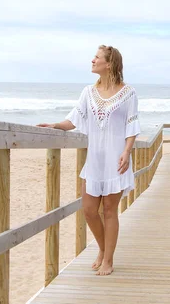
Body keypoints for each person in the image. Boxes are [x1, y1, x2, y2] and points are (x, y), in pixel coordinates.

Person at [37, 45, 140, 276]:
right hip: (94, 159)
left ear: (109, 64)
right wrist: (54, 125)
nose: (92, 60)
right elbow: (74, 120)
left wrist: (127, 151)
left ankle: (108, 260)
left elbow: (132, 125)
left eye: (97, 57)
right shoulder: (88, 92)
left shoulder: (128, 93)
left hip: (116, 158)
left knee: (110, 210)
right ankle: (103, 250)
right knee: (89, 210)